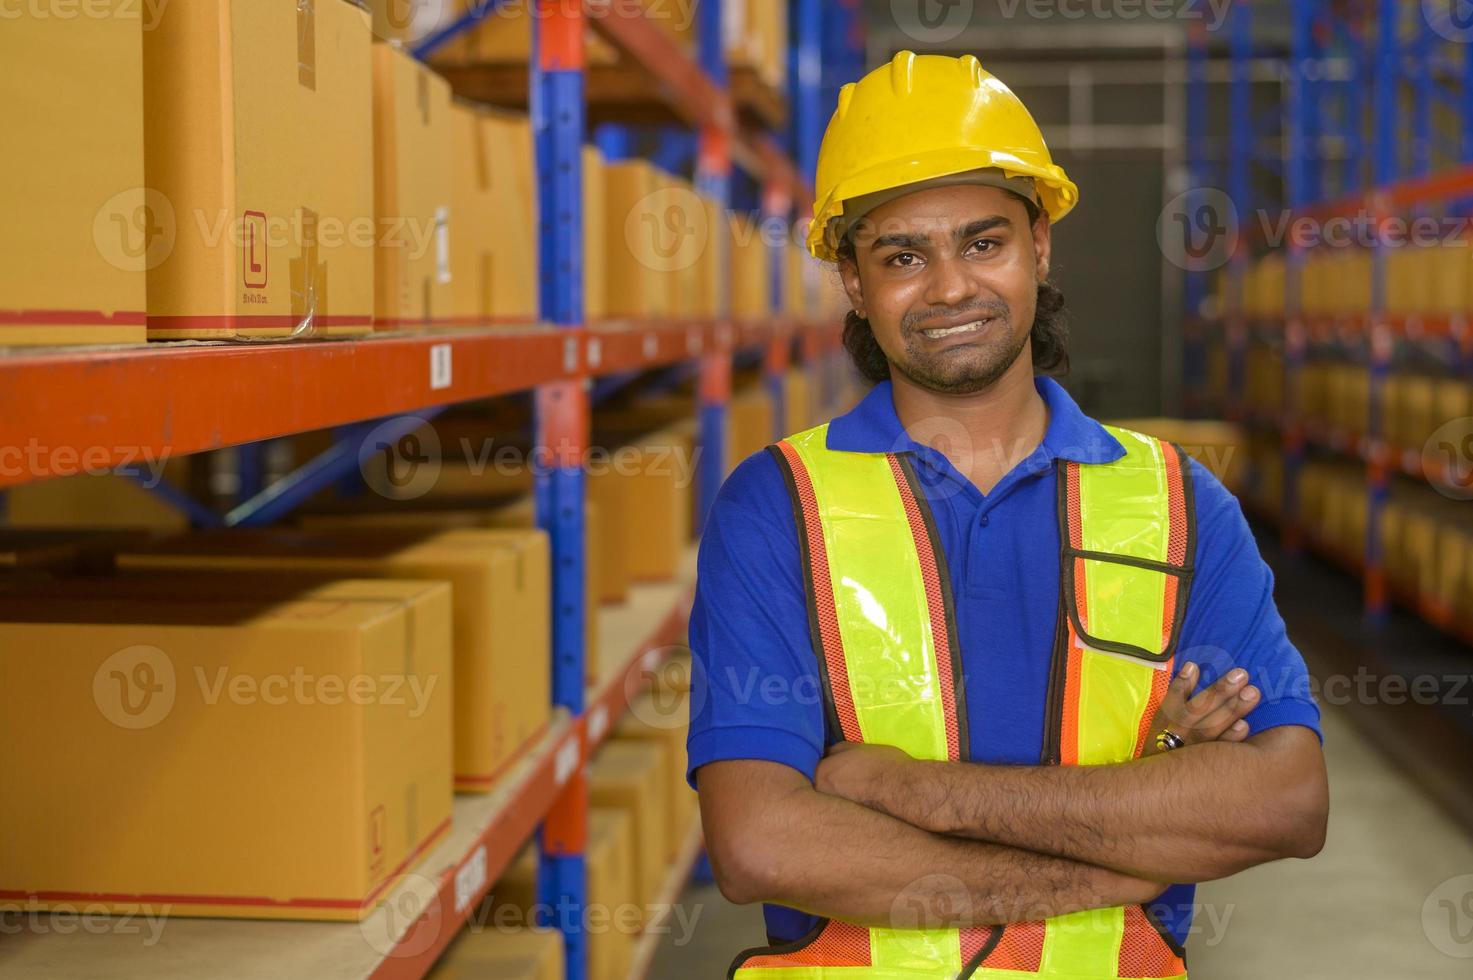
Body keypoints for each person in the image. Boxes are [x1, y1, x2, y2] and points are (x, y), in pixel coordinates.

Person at [686, 51, 1328, 979]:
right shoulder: (777, 508)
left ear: (1039, 246)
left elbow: (1283, 804)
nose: (949, 288)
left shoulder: (1178, 503)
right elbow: (762, 845)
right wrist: (1133, 829)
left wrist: (903, 789)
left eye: (981, 242)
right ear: (855, 284)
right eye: (902, 256)